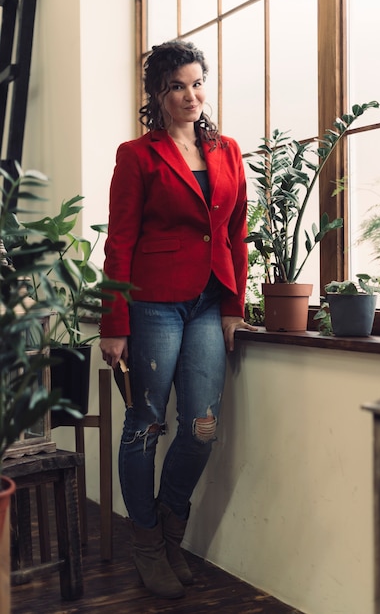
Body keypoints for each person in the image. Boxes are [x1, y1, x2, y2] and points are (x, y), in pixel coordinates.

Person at [99, 40, 256, 599]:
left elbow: (235, 233)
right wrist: (114, 321)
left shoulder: (229, 150)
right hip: (154, 303)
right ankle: (146, 542)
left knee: (199, 428)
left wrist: (236, 306)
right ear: (156, 96)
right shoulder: (137, 155)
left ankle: (170, 526)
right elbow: (119, 241)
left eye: (196, 83)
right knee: (144, 424)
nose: (190, 95)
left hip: (209, 303)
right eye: (176, 87)